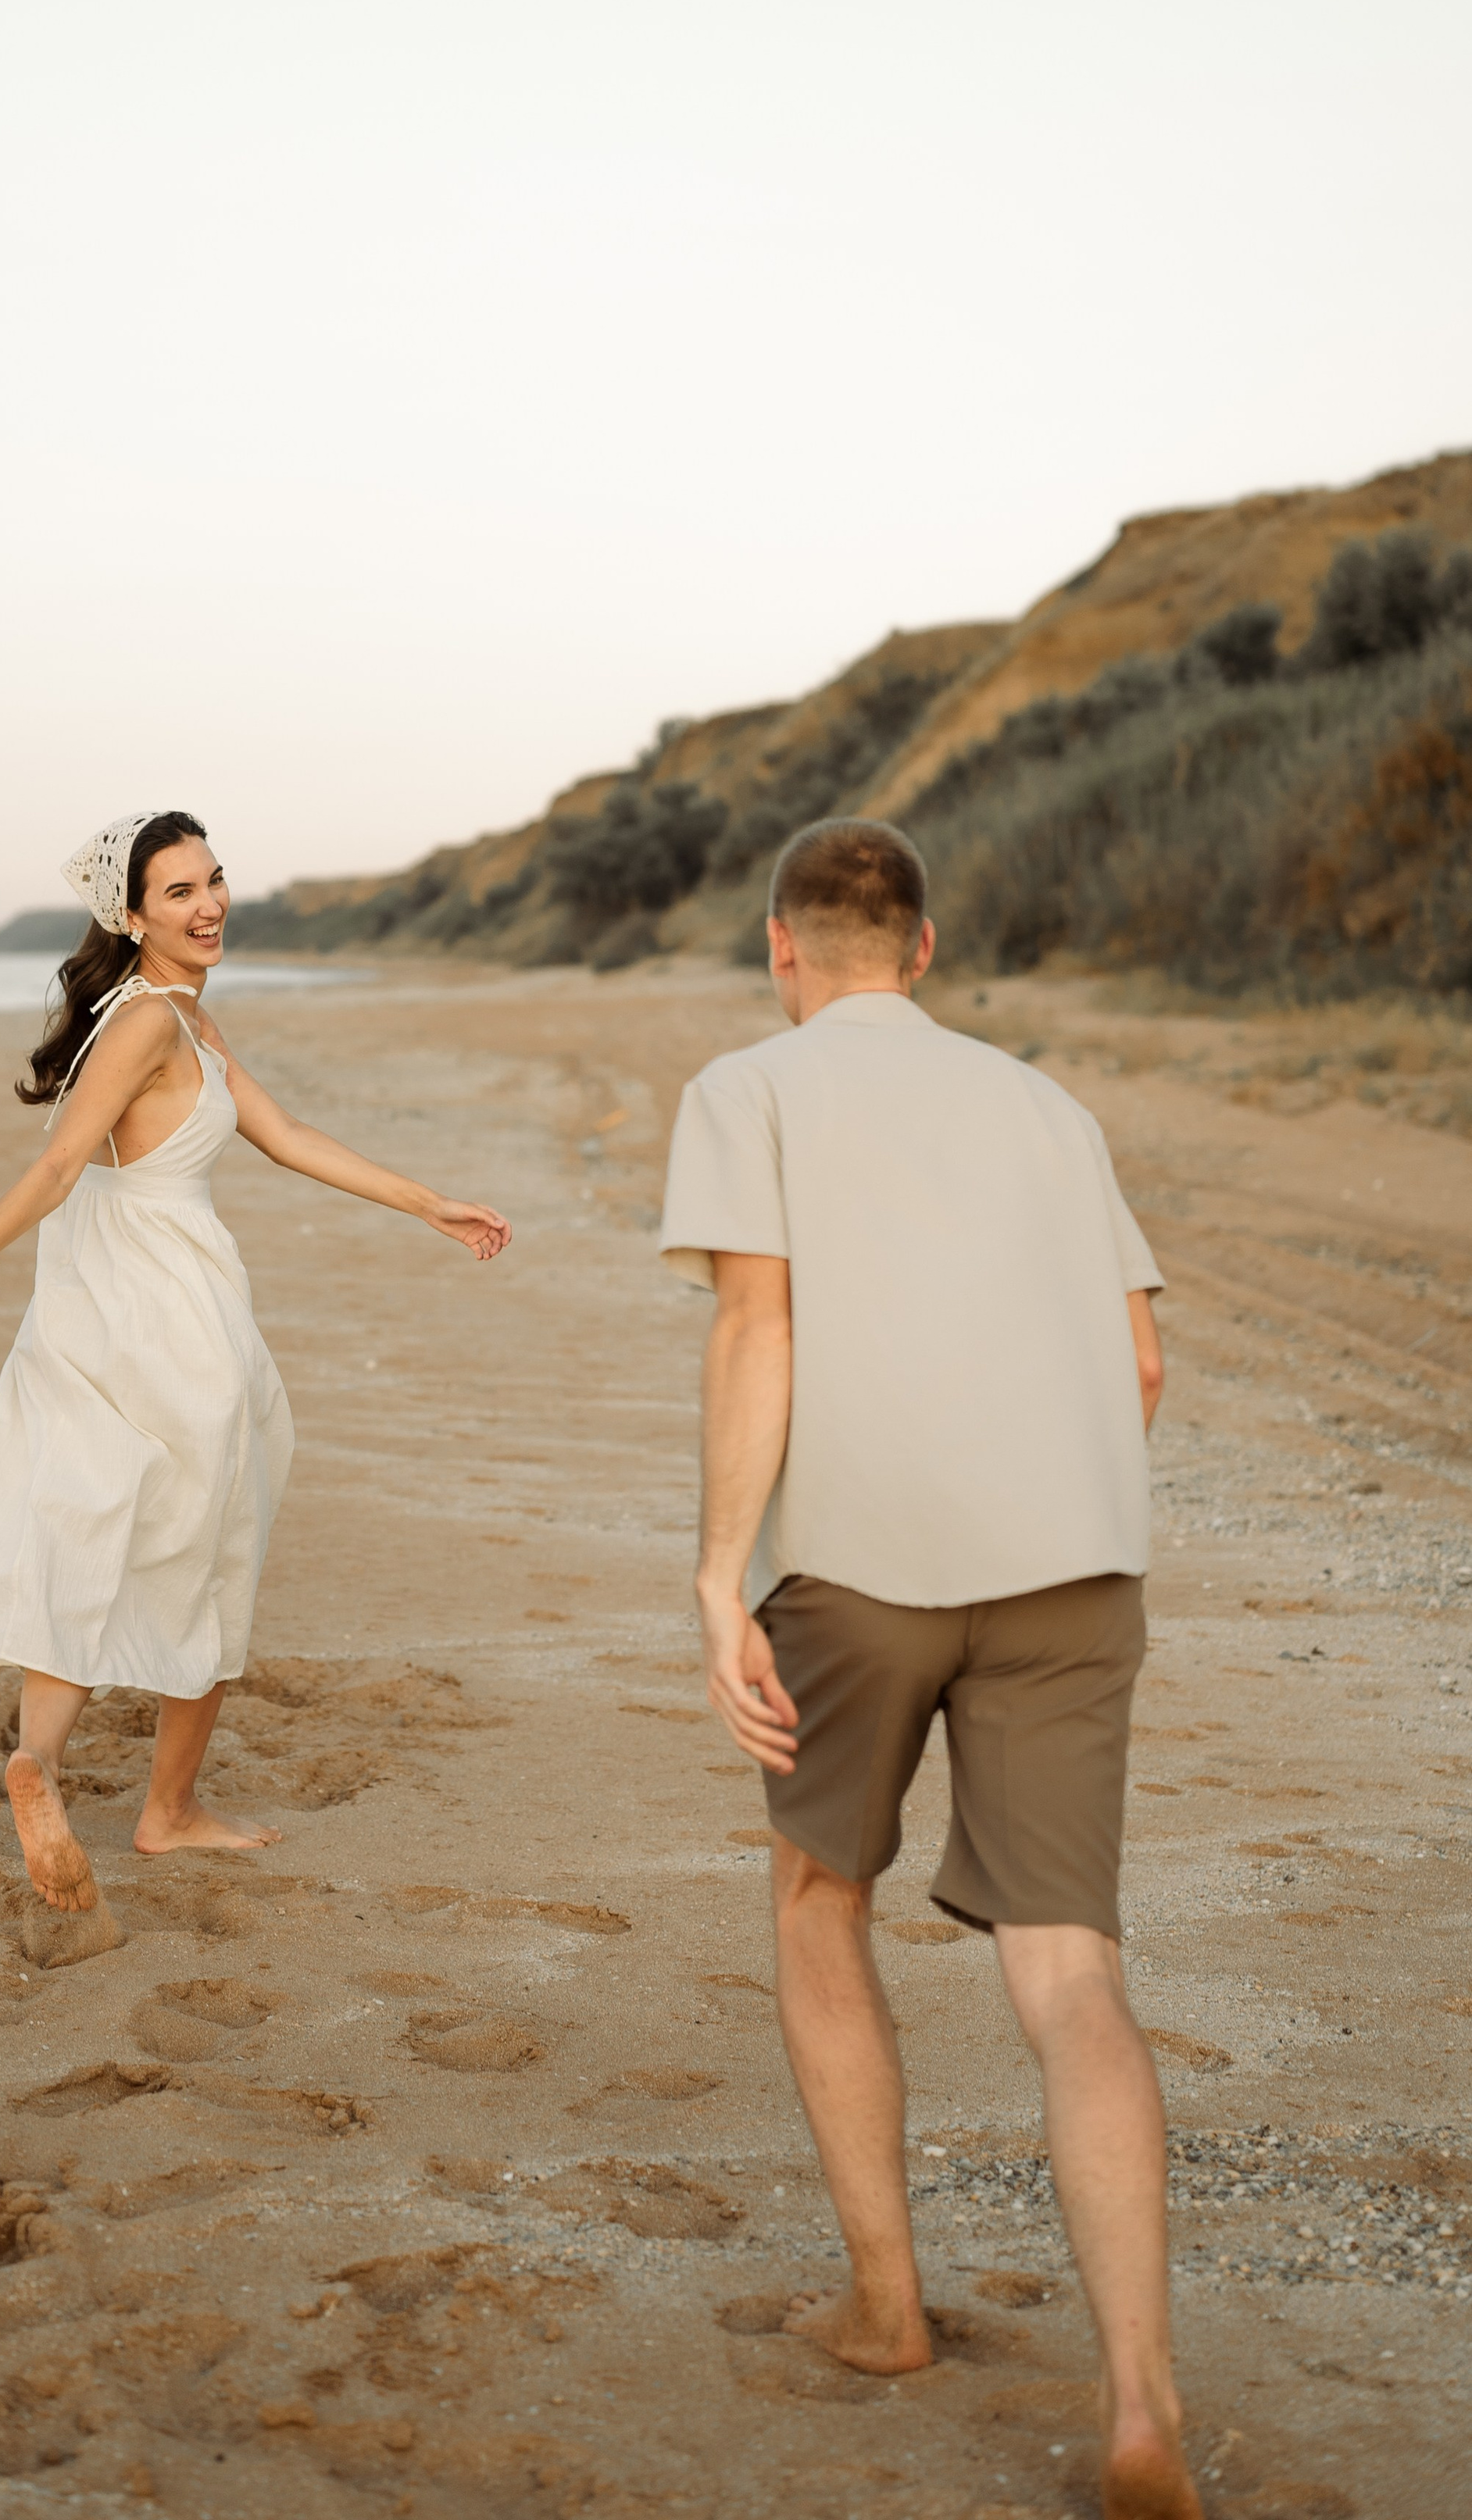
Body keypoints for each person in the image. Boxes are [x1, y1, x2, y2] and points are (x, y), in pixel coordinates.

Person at [660, 817, 1199, 2520]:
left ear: (780, 947)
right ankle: (1140, 2406)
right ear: (924, 946)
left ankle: (886, 2309)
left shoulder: (749, 1090)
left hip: (857, 1565)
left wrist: (719, 1574)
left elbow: (758, 1326)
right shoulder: (1046, 1108)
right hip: (1070, 1569)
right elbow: (1138, 1363)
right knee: (1071, 1977)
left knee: (821, 1898)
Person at [0, 808, 510, 1916]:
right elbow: (58, 1167)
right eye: (179, 893)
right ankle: (169, 1811)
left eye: (214, 880)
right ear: (131, 917)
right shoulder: (154, 1022)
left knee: (94, 1526)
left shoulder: (175, 1017)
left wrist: (428, 1203)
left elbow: (287, 1137)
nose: (209, 906)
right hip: (174, 1315)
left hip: (95, 1311)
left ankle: (38, 1761)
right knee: (212, 1543)